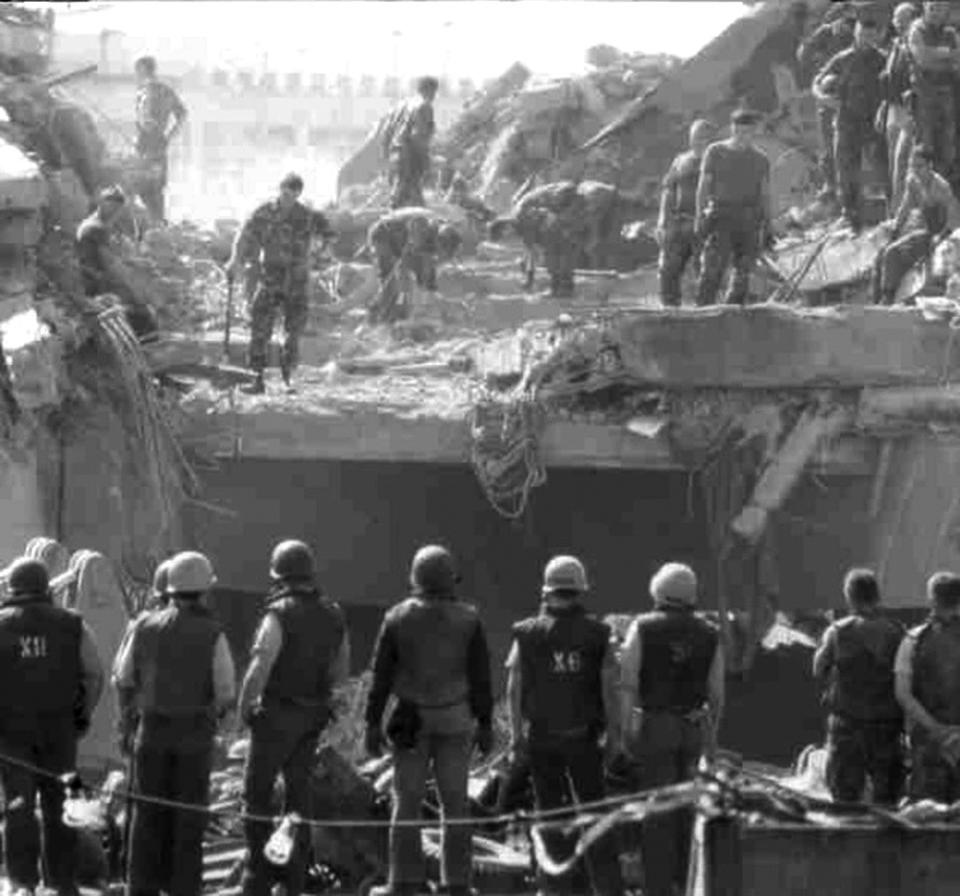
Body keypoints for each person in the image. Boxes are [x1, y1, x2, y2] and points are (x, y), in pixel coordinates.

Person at [364, 545, 494, 896]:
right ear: (450, 579)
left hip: (411, 723)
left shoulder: (397, 617)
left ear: (415, 578)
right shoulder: (469, 620)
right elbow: (481, 678)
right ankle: (457, 885)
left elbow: (380, 678)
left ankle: (403, 884)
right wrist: (486, 724)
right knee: (455, 805)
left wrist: (372, 723)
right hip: (455, 720)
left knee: (405, 804)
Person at [113, 550, 236, 896]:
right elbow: (225, 692)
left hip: (149, 735)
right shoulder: (214, 634)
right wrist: (220, 725)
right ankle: (183, 889)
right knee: (188, 819)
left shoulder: (143, 627)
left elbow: (123, 680)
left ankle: (141, 888)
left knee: (146, 816)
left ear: (169, 589)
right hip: (194, 739)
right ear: (205, 590)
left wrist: (126, 726)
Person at [504, 556, 624, 896]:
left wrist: (516, 738)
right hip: (584, 740)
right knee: (595, 817)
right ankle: (606, 889)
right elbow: (610, 691)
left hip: (541, 740)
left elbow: (514, 687)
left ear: (547, 590)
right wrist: (615, 738)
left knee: (549, 816)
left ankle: (554, 888)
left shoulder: (526, 633)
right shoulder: (599, 634)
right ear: (580, 590)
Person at [237, 540, 350, 896]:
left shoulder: (278, 614)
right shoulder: (334, 615)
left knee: (255, 797)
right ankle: (293, 876)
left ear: (279, 577)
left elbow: (259, 668)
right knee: (298, 800)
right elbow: (341, 672)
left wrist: (244, 710)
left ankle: (258, 875)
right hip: (312, 717)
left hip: (274, 717)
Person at [616, 562, 724, 896]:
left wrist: (624, 733)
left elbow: (627, 683)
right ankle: (688, 884)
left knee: (657, 812)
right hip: (693, 728)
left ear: (658, 591)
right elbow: (717, 693)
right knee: (690, 811)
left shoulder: (643, 628)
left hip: (656, 728)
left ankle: (658, 889)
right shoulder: (710, 633)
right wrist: (712, 738)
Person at [0, 557, 104, 896]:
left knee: (18, 807)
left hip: (11, 737)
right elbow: (94, 673)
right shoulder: (73, 624)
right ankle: (63, 883)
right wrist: (82, 714)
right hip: (60, 734)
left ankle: (22, 884)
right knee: (62, 807)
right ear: (47, 587)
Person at [225, 173, 335, 395]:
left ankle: (288, 379)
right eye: (285, 193)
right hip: (271, 278)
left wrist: (318, 256)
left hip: (297, 281)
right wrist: (235, 260)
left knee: (293, 333)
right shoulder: (264, 212)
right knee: (259, 329)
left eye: (293, 194)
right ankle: (256, 378)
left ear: (298, 194)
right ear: (280, 189)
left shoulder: (307, 216)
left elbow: (330, 236)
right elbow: (244, 235)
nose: (288, 198)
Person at [813, 568, 905, 805]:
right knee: (887, 802)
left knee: (844, 801)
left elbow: (818, 669)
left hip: (847, 729)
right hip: (886, 729)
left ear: (849, 596)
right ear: (876, 595)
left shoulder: (837, 632)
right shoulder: (897, 632)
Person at [813, 16, 888, 233]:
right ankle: (851, 216)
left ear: (877, 36)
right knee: (846, 171)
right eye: (863, 33)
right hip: (847, 121)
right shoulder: (842, 59)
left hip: (874, 122)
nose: (867, 38)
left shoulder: (882, 59)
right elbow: (817, 83)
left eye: (871, 35)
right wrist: (824, 98)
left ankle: (891, 211)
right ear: (856, 32)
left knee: (882, 167)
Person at [694, 108, 772, 306]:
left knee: (743, 272)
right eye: (741, 131)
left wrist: (768, 223)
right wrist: (699, 216)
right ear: (733, 129)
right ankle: (702, 311)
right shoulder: (715, 151)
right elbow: (703, 187)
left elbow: (765, 194)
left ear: (754, 131)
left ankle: (731, 313)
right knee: (712, 268)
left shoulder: (761, 159)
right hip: (721, 216)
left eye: (749, 132)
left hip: (749, 219)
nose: (745, 136)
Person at [895, 571, 960, 802]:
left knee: (926, 821)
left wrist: (937, 729)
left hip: (928, 744)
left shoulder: (913, 639)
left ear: (931, 599)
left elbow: (903, 694)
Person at [872, 143, 960, 304]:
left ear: (930, 166)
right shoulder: (913, 182)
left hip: (943, 236)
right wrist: (895, 229)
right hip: (926, 232)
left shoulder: (942, 187)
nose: (916, 170)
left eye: (919, 166)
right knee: (886, 253)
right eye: (913, 166)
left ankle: (891, 297)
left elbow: (954, 220)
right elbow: (904, 208)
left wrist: (940, 237)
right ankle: (882, 297)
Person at [75, 186, 160, 343]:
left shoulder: (97, 225)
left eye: (118, 207)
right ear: (101, 203)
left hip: (100, 284)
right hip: (100, 288)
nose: (115, 211)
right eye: (111, 206)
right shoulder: (95, 228)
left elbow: (113, 258)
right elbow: (112, 267)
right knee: (144, 314)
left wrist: (135, 262)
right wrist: (136, 292)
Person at [489, 181, 590, 298]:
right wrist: (529, 277)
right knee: (557, 248)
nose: (508, 240)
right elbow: (531, 252)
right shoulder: (520, 223)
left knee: (555, 249)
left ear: (506, 227)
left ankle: (561, 289)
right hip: (566, 202)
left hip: (568, 200)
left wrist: (529, 278)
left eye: (505, 237)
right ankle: (563, 288)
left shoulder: (522, 216)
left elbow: (547, 218)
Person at [798, 4, 857, 199]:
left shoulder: (855, 35)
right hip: (828, 90)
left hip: (852, 92)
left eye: (852, 21)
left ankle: (849, 187)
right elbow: (804, 55)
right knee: (827, 139)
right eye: (846, 20)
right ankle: (830, 185)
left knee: (850, 142)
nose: (849, 25)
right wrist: (818, 62)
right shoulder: (824, 33)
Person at [366, 207, 462, 324]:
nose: (441, 259)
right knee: (391, 284)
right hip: (383, 235)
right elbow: (402, 266)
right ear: (440, 243)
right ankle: (379, 316)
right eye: (443, 254)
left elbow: (425, 276)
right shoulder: (423, 229)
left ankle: (396, 312)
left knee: (412, 283)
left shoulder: (434, 234)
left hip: (398, 238)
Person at [656, 119, 715, 306]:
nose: (699, 142)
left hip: (705, 224)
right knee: (668, 269)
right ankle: (669, 310)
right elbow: (668, 190)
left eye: (703, 138)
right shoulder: (680, 160)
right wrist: (662, 220)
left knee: (706, 271)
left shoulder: (718, 161)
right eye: (695, 138)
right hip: (680, 223)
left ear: (711, 140)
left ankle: (706, 312)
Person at [906, 2, 960, 185]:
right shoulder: (917, 29)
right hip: (924, 96)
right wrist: (947, 54)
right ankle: (923, 198)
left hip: (947, 95)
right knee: (926, 147)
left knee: (948, 147)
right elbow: (922, 59)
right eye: (933, 7)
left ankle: (945, 194)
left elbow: (958, 59)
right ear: (925, 8)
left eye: (941, 8)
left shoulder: (950, 33)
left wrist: (936, 54)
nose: (936, 12)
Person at [133, 56, 187, 224]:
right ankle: (156, 224)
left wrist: (165, 135)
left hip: (151, 146)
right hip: (150, 146)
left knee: (151, 188)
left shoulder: (154, 91)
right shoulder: (153, 91)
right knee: (150, 188)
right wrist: (169, 136)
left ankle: (158, 225)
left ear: (143, 69)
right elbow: (182, 114)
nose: (136, 74)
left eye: (137, 70)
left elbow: (181, 114)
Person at [881, 3, 921, 208]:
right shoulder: (896, 44)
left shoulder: (916, 44)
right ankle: (895, 212)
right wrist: (884, 107)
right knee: (892, 162)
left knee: (904, 162)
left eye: (904, 19)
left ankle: (905, 212)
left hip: (911, 109)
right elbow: (889, 77)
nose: (899, 23)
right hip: (893, 109)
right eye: (897, 19)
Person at [382, 76, 439, 210]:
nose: (434, 96)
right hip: (409, 156)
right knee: (406, 195)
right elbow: (419, 137)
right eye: (434, 92)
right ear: (429, 90)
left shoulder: (403, 105)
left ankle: (399, 216)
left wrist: (388, 155)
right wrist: (426, 162)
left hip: (396, 154)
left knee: (408, 194)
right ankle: (392, 221)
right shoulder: (425, 106)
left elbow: (386, 132)